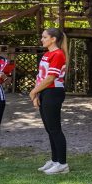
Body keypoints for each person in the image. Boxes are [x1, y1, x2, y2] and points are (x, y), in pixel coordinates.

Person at [29, 28, 69, 174]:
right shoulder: (47, 54)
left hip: (54, 92)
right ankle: (55, 160)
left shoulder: (58, 54)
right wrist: (37, 94)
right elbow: (41, 77)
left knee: (55, 129)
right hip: (45, 92)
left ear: (53, 39)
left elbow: (51, 78)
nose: (42, 39)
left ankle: (63, 164)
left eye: (44, 37)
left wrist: (33, 92)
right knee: (49, 129)